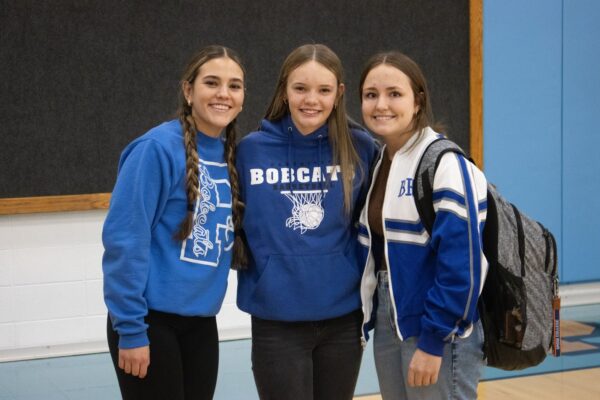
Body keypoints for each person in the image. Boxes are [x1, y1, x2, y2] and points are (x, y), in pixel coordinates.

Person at [232, 44, 379, 400]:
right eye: (301, 88)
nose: (311, 99)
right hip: (276, 318)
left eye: (324, 90)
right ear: (285, 89)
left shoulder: (362, 148)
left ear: (339, 93)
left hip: (342, 318)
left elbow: (373, 228)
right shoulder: (250, 151)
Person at [102, 45, 245, 400]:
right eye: (212, 82)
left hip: (200, 324)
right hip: (150, 323)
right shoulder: (155, 149)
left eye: (235, 85)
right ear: (188, 90)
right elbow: (125, 242)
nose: (224, 94)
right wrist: (132, 330)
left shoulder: (232, 153)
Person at [357, 51, 488, 399]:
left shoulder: (445, 163)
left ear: (418, 101)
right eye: (371, 95)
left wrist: (433, 342)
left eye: (394, 94)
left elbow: (462, 267)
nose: (381, 104)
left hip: (436, 330)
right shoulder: (380, 160)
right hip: (391, 321)